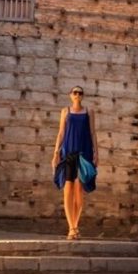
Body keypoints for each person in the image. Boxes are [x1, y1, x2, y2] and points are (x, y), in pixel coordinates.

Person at [52, 86, 97, 239]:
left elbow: (92, 133)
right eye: (75, 92)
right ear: (70, 95)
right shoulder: (65, 111)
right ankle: (72, 228)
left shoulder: (89, 112)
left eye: (80, 93)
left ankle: (74, 226)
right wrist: (55, 153)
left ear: (83, 96)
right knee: (68, 188)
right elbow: (61, 133)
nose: (77, 95)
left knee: (79, 190)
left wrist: (96, 152)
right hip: (68, 153)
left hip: (84, 153)